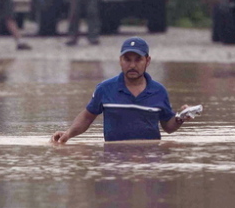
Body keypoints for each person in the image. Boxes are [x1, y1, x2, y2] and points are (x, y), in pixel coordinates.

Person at [50, 36, 196, 143]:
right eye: (127, 59)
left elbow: (168, 127)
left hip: (150, 161)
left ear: (148, 61)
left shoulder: (159, 91)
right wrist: (68, 134)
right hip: (113, 159)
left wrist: (180, 118)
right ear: (120, 61)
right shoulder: (105, 89)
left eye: (138, 60)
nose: (132, 65)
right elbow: (87, 117)